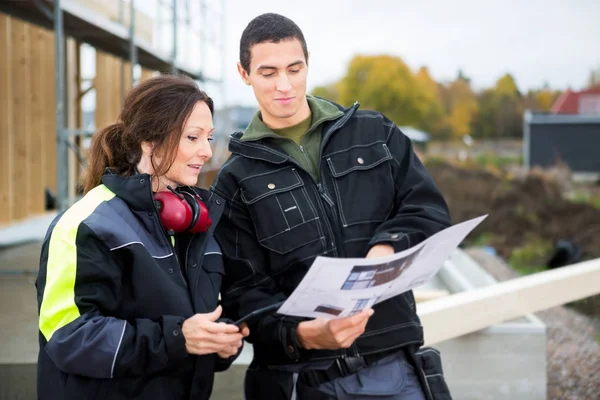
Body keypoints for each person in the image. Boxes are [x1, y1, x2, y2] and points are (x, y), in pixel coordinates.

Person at [211, 13, 454, 400]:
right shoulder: (234, 180)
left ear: (308, 61)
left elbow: (428, 209)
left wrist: (386, 248)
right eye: (268, 73)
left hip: (394, 369)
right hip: (300, 381)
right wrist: (302, 335)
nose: (284, 86)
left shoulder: (375, 134)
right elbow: (243, 294)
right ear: (244, 74)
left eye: (295, 68)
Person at [35, 74, 248, 400]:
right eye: (193, 137)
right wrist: (178, 338)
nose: (207, 151)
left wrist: (219, 340)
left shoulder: (197, 225)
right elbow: (69, 337)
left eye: (210, 137)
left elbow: (193, 327)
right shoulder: (87, 224)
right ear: (149, 141)